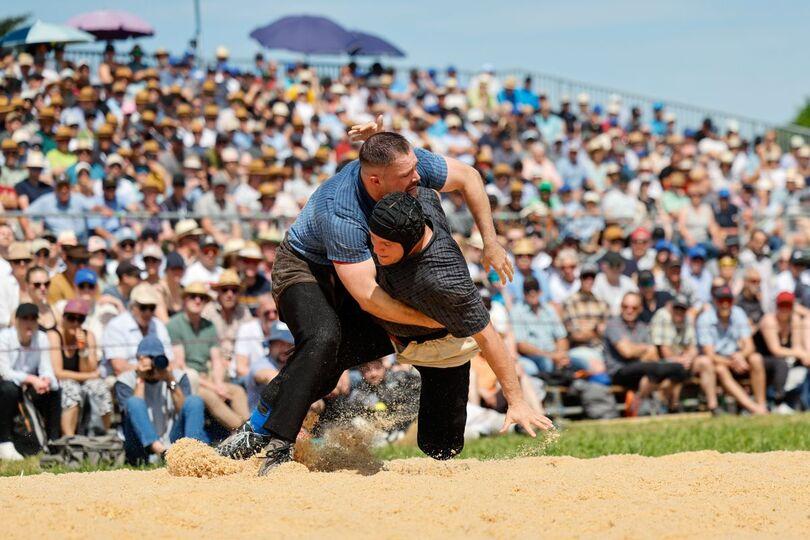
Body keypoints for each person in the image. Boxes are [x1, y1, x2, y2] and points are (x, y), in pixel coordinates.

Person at [217, 130, 513, 472]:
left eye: (415, 168)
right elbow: (369, 298)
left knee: (340, 354)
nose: (417, 177)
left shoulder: (404, 166)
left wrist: (491, 242)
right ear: (376, 180)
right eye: (407, 175)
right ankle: (276, 442)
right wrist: (431, 320)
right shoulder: (341, 211)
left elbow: (470, 177)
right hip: (305, 267)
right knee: (323, 338)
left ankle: (258, 423)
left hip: (359, 267)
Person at [361, 191, 550, 456]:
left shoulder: (448, 280)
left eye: (385, 244)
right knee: (322, 346)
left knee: (441, 447)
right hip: (376, 323)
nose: (376, 248)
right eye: (374, 239)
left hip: (441, 347)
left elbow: (489, 337)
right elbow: (461, 178)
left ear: (409, 240)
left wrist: (516, 401)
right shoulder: (412, 203)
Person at [167, 282, 248, 431]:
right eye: (193, 296)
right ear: (185, 299)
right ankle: (244, 430)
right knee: (211, 396)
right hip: (189, 381)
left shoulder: (209, 326)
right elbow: (181, 365)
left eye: (202, 298)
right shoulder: (174, 324)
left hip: (208, 377)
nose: (198, 300)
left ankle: (249, 427)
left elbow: (216, 360)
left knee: (238, 391)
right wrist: (214, 387)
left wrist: (219, 383)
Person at [114, 335, 207, 464]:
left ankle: (193, 455)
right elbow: (132, 414)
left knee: (194, 401)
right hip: (140, 447)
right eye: (149, 358)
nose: (153, 364)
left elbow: (184, 410)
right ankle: (160, 452)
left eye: (157, 358)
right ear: (139, 359)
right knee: (133, 401)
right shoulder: (125, 380)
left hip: (174, 439)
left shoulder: (178, 377)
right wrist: (141, 379)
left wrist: (170, 379)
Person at [603, 292, 689, 414]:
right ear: (620, 307)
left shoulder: (642, 326)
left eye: (633, 308)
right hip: (619, 371)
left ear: (640, 309)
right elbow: (627, 352)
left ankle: (661, 405)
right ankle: (644, 406)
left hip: (644, 369)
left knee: (679, 369)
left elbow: (652, 353)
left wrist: (637, 349)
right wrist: (644, 349)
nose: (629, 311)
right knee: (654, 368)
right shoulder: (614, 325)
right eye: (625, 306)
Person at [0, 304, 61, 460]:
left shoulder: (42, 338)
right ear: (16, 321)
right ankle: (4, 442)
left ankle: (53, 441)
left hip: (28, 386)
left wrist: (46, 380)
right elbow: (5, 372)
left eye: (33, 319)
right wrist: (32, 379)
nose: (29, 322)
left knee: (54, 389)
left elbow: (46, 368)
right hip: (7, 386)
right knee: (9, 389)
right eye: (25, 318)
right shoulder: (4, 337)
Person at [696, 286, 768, 415]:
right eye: (721, 300)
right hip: (718, 361)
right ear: (715, 301)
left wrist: (741, 356)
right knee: (720, 369)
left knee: (756, 358)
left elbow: (750, 346)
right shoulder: (705, 318)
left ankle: (761, 403)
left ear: (732, 301)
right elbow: (710, 355)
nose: (725, 304)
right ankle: (752, 407)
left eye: (728, 300)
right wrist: (732, 363)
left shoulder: (738, 313)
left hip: (736, 357)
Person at [48, 299, 112, 435]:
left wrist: (82, 349)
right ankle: (69, 438)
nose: (75, 323)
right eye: (71, 318)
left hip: (82, 380)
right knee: (70, 388)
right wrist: (89, 376)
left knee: (101, 388)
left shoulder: (88, 336)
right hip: (61, 382)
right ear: (63, 318)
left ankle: (103, 436)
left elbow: (90, 369)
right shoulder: (54, 335)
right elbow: (58, 372)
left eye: (80, 319)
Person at [650, 294, 720, 414]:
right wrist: (681, 360)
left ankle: (713, 407)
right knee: (676, 369)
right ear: (670, 308)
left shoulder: (688, 318)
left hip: (683, 362)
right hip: (662, 364)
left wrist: (688, 358)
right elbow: (664, 351)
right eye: (676, 308)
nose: (679, 312)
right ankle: (668, 406)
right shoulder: (662, 316)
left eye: (682, 309)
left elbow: (693, 348)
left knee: (705, 362)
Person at [754, 291, 810, 413]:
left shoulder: (794, 320)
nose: (784, 309)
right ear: (777, 306)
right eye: (782, 305)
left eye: (788, 305)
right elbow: (775, 350)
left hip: (784, 360)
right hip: (762, 359)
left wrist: (805, 356)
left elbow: (797, 346)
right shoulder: (769, 321)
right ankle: (777, 401)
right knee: (781, 364)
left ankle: (803, 403)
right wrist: (799, 354)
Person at [102, 283, 173, 376]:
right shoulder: (116, 326)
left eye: (152, 308)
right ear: (132, 306)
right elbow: (119, 367)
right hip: (124, 377)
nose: (148, 313)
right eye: (143, 307)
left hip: (157, 376)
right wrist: (147, 369)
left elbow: (170, 360)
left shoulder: (159, 325)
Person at [511, 277, 570, 375]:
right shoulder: (517, 311)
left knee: (576, 359)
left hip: (554, 353)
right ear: (524, 294)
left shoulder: (549, 309)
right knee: (546, 363)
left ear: (540, 291)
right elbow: (521, 345)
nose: (532, 293)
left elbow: (562, 337)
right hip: (532, 356)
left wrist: (560, 354)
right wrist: (551, 356)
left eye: (535, 289)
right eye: (528, 290)